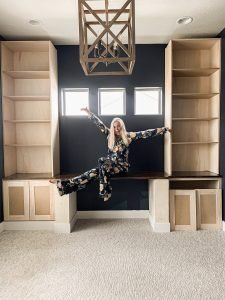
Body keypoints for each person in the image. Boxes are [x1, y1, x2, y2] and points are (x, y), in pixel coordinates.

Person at [50, 107, 172, 201]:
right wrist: (89, 113)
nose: (117, 129)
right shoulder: (109, 136)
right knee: (90, 174)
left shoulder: (128, 136)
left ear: (122, 126)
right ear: (112, 128)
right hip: (107, 167)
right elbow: (99, 124)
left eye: (118, 126)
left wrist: (164, 129)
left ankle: (106, 191)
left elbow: (147, 133)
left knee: (102, 161)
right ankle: (63, 186)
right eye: (114, 127)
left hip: (121, 167)